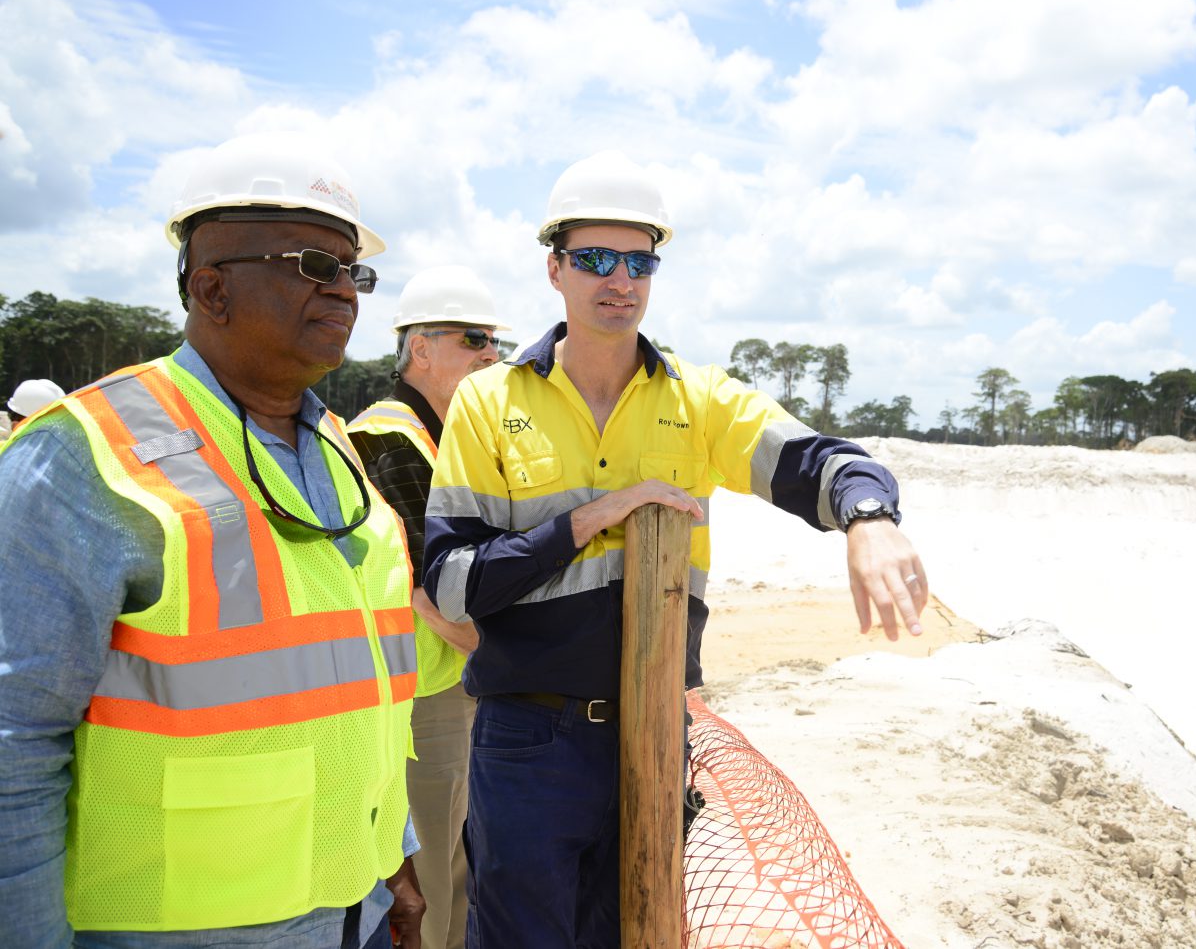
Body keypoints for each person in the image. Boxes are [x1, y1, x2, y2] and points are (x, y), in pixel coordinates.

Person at [422, 151, 930, 948]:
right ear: (555, 267)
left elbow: (815, 459)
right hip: (526, 741)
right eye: (596, 258)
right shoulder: (489, 401)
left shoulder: (698, 400)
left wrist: (869, 517)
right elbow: (452, 584)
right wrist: (587, 520)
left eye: (640, 261)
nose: (620, 279)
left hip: (656, 735)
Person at [0, 132, 425, 949]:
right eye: (314, 264)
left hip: (352, 907)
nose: (345, 290)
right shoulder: (85, 455)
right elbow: (14, 744)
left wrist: (392, 855)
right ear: (211, 288)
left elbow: (359, 683)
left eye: (354, 271)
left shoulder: (336, 448)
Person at [347, 266, 509, 949]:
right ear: (420, 348)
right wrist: (513, 656)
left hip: (456, 681)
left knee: (464, 864)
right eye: (474, 338)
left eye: (495, 341)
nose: (491, 354)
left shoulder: (444, 436)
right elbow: (429, 588)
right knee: (435, 873)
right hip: (424, 696)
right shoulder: (388, 439)